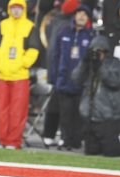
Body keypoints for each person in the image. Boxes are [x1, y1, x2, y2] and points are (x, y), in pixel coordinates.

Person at [0, 0, 40, 149]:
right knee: (1, 110)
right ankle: (2, 140)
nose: (16, 10)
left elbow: (33, 50)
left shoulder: (30, 26)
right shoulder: (3, 24)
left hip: (20, 76)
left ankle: (14, 141)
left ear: (23, 9)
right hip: (2, 75)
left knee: (18, 111)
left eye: (19, 8)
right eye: (13, 7)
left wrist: (22, 63)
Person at [49, 4, 93, 150]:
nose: (81, 16)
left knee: (79, 114)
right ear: (74, 15)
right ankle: (65, 139)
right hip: (64, 80)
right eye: (79, 13)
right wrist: (55, 77)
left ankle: (76, 141)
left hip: (81, 83)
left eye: (84, 14)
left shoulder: (91, 36)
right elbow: (55, 56)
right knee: (65, 113)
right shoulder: (63, 32)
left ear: (88, 18)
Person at [72, 35, 120, 156]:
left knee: (112, 153)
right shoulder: (88, 64)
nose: (97, 54)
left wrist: (100, 67)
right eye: (94, 51)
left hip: (109, 117)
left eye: (99, 51)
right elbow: (75, 79)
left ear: (106, 51)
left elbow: (115, 82)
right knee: (91, 153)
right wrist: (84, 62)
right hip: (89, 116)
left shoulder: (116, 64)